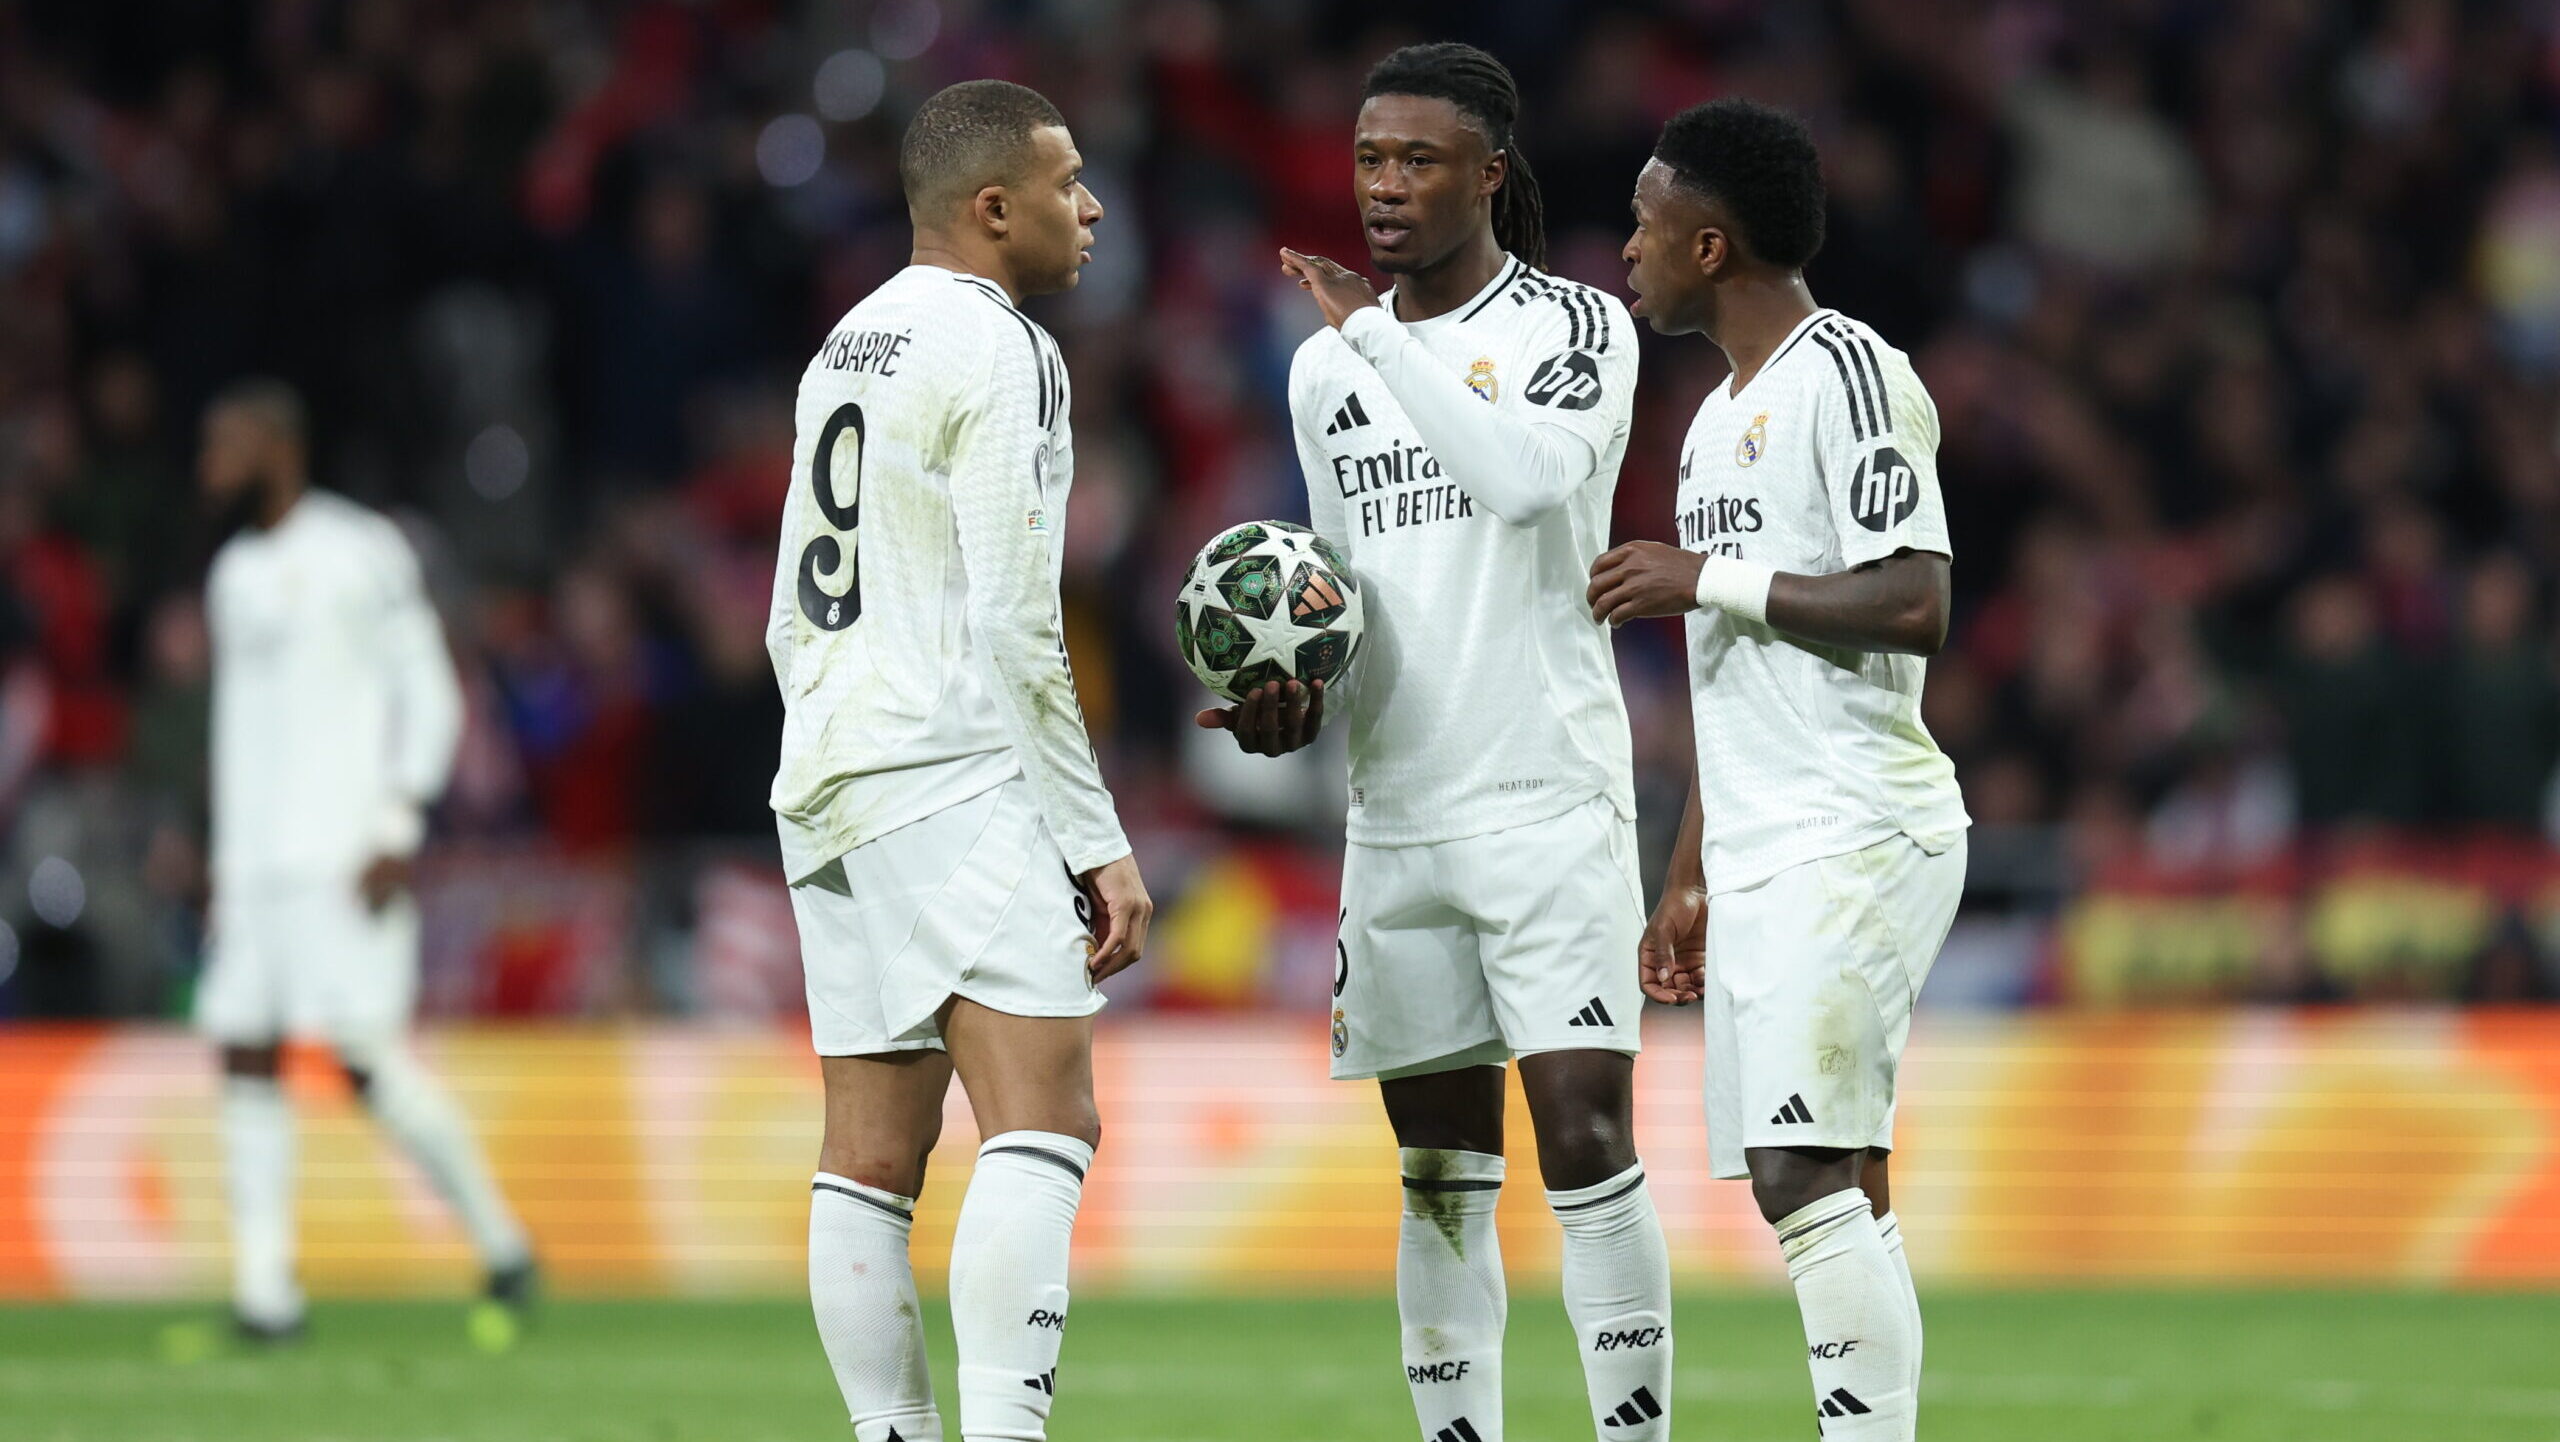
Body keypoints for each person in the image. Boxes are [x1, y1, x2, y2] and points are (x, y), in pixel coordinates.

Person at [1200, 42, 1670, 1442]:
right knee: (1440, 1169)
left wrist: (1376, 337)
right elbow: (1347, 593)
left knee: (1585, 1137)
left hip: (1547, 797)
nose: (1387, 187)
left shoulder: (1578, 329)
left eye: (1417, 160)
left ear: (1490, 172)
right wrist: (1300, 699)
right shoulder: (1322, 372)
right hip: (1399, 815)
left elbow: (1521, 480)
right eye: (1369, 161)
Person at [769, 79, 1152, 1442]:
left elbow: (783, 608)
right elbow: (1012, 618)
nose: (1092, 206)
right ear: (995, 209)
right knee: (1044, 1117)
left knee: (871, 1155)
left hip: (826, 767)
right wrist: (1094, 834)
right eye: (1068, 183)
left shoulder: (847, 344)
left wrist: (825, 753)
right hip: (944, 762)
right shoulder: (1003, 347)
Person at [1591, 99, 1972, 1440]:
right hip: (1760, 841)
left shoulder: (1847, 372)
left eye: (1644, 219)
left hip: (1858, 821)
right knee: (1835, 1177)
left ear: (1711, 241)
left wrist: (1712, 575)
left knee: (1798, 1162)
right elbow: (1728, 671)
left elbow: (1916, 597)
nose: (1624, 245)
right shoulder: (1709, 424)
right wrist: (1689, 873)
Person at [195, 379, 534, 1343]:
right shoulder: (232, 576)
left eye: (225, 445)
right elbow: (239, 734)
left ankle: (502, 1244)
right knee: (244, 1053)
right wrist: (224, 855)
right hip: (255, 870)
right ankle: (266, 1296)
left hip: (344, 855)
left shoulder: (360, 550)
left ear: (275, 445)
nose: (207, 465)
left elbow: (429, 687)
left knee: (366, 1064)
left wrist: (397, 823)